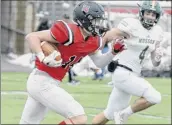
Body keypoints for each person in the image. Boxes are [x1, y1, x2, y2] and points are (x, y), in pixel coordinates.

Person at [19, 1, 125, 124]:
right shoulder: (68, 31)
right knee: (78, 117)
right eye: (96, 21)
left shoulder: (93, 40)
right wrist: (42, 57)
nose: (99, 24)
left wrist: (113, 52)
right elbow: (32, 37)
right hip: (42, 81)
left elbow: (99, 63)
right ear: (85, 20)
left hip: (49, 82)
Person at [92, 1, 164, 124]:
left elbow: (155, 63)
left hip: (133, 75)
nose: (150, 17)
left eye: (153, 14)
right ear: (142, 12)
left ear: (157, 17)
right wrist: (96, 53)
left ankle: (119, 115)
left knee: (108, 114)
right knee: (154, 97)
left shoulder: (157, 31)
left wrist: (157, 58)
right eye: (148, 13)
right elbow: (108, 35)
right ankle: (123, 114)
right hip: (122, 71)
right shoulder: (132, 25)